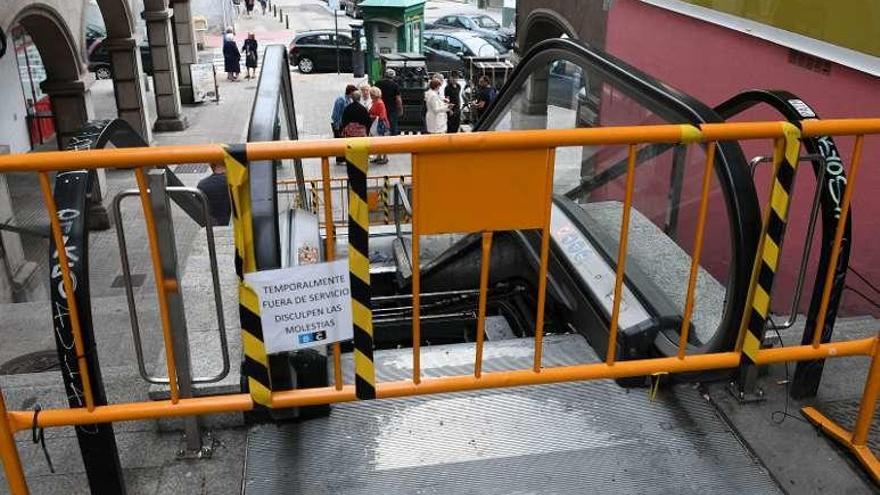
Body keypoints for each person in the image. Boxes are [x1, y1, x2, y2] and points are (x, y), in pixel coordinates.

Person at [331, 84, 358, 162]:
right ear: (351, 92)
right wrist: (336, 125)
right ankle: (339, 159)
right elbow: (336, 114)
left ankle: (342, 158)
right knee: (339, 142)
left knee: (343, 141)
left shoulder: (348, 100)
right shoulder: (341, 100)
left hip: (344, 124)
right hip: (339, 124)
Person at [374, 69, 403, 135]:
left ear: (385, 75)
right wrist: (400, 109)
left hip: (380, 108)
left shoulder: (378, 83)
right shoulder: (395, 85)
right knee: (393, 127)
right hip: (391, 110)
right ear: (394, 76)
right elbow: (398, 99)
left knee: (379, 126)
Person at [368, 87, 389, 164]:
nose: (370, 96)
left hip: (380, 125)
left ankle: (385, 158)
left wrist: (372, 116)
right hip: (376, 124)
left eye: (371, 94)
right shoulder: (375, 102)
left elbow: (382, 115)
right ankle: (379, 156)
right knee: (378, 141)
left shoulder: (379, 103)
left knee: (382, 142)